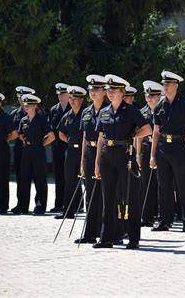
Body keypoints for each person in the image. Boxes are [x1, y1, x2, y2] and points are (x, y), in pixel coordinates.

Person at [93, 74, 152, 249]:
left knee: (130, 198)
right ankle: (107, 238)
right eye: (108, 90)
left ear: (122, 92)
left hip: (124, 155)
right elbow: (100, 138)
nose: (110, 93)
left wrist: (132, 136)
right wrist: (97, 162)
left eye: (113, 90)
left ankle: (133, 238)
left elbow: (147, 129)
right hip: (106, 156)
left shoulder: (131, 110)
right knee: (108, 197)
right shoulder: (104, 111)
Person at [150, 70, 185, 233]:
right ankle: (165, 220)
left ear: (176, 85)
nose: (165, 87)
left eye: (168, 84)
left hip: (179, 147)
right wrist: (152, 154)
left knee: (183, 186)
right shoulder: (159, 105)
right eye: (164, 84)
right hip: (163, 148)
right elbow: (156, 131)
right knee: (163, 186)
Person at [74, 75, 107, 244]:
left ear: (104, 92)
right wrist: (82, 162)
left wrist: (98, 162)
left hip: (104, 154)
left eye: (96, 90)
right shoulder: (86, 112)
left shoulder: (108, 110)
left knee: (104, 194)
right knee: (90, 196)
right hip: (89, 152)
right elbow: (84, 137)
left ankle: (105, 232)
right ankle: (90, 233)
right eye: (91, 90)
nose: (93, 92)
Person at [16, 94, 55, 215]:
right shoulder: (24, 120)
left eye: (29, 105)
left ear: (35, 106)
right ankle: (22, 206)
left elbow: (51, 137)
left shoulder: (42, 120)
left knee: (40, 178)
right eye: (25, 105)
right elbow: (20, 134)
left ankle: (40, 206)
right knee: (24, 178)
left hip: (38, 150)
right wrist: (26, 141)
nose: (26, 107)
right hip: (27, 150)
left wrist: (41, 144)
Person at [54, 86, 86, 219]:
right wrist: (69, 141)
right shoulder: (67, 116)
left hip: (84, 152)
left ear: (81, 100)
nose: (72, 101)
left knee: (87, 182)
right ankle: (68, 211)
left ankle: (89, 209)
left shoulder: (86, 114)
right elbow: (60, 132)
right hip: (71, 151)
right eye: (71, 99)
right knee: (70, 182)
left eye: (75, 99)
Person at [137, 80, 163, 227]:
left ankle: (162, 215)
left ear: (159, 96)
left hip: (161, 148)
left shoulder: (163, 111)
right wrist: (137, 154)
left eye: (152, 95)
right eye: (147, 96)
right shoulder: (142, 112)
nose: (149, 98)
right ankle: (146, 216)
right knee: (146, 183)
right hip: (146, 148)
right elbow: (139, 135)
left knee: (162, 183)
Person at [10, 86, 35, 214]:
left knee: (36, 178)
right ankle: (21, 205)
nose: (21, 100)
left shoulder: (35, 114)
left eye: (24, 97)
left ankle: (39, 205)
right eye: (19, 97)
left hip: (33, 150)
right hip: (20, 150)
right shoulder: (14, 114)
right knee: (21, 178)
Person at [48, 83, 71, 212]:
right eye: (59, 94)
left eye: (63, 93)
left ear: (68, 94)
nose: (60, 96)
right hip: (57, 147)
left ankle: (75, 203)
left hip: (70, 146)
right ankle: (58, 204)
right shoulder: (53, 110)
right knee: (58, 175)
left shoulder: (74, 107)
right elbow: (51, 128)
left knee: (72, 175)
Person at [0, 92, 18, 214]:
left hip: (2, 149)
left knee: (2, 177)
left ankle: (3, 205)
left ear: (0, 104)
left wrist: (4, 139)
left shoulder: (5, 118)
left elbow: (14, 134)